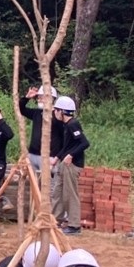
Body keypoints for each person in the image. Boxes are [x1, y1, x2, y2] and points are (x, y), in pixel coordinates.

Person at [50, 95, 90, 236]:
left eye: (56, 110)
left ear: (61, 111)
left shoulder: (73, 124)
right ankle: (55, 220)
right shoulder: (66, 125)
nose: (55, 113)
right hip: (63, 164)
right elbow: (67, 146)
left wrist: (71, 155)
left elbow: (84, 143)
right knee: (57, 193)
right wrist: (57, 157)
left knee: (70, 194)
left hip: (72, 165)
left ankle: (74, 225)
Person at [19, 85, 57, 175]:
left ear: (51, 98)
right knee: (34, 185)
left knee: (47, 185)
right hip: (33, 154)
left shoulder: (57, 116)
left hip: (48, 156)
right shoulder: (37, 113)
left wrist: (55, 156)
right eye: (38, 97)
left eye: (41, 97)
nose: (39, 99)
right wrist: (26, 98)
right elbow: (20, 109)